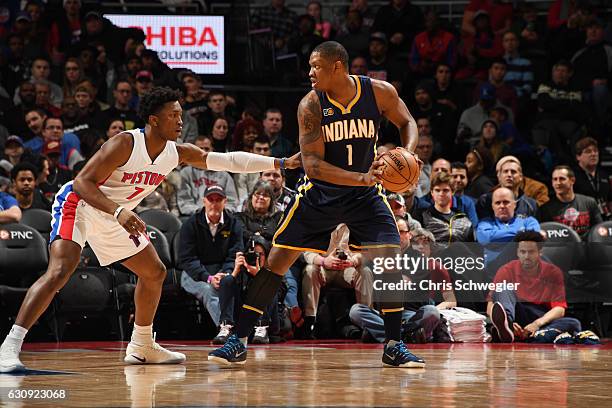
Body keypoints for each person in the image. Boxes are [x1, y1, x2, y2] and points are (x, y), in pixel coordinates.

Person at [0, 87, 300, 373]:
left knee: (154, 272)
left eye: (182, 114)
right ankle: (9, 346)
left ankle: (141, 345)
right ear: (154, 120)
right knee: (60, 271)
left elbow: (226, 160)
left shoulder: (176, 152)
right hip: (80, 204)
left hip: (117, 214)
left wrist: (280, 161)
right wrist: (118, 211)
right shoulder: (125, 143)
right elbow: (82, 182)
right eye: (174, 115)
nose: (181, 121)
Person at [208, 41, 425, 368]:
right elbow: (313, 166)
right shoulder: (310, 105)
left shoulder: (378, 92)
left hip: (364, 198)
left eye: (316, 66)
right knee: (277, 261)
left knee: (391, 258)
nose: (310, 73)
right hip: (320, 194)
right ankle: (238, 339)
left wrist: (406, 154)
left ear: (337, 66)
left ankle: (394, 344)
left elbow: (407, 121)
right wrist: (363, 178)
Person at [488, 231, 582, 343]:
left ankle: (530, 334)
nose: (526, 256)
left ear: (540, 252)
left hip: (540, 317)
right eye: (523, 252)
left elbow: (559, 309)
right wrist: (507, 322)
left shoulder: (553, 272)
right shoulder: (506, 270)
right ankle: (508, 326)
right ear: (517, 252)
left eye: (531, 252)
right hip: (515, 312)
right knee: (503, 288)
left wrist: (537, 324)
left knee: (573, 323)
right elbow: (491, 305)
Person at [539, 165, 602, 238]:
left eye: (562, 179)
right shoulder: (545, 209)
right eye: (555, 179)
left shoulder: (589, 202)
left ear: (572, 180)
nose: (558, 183)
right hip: (561, 248)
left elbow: (598, 230)